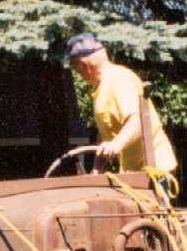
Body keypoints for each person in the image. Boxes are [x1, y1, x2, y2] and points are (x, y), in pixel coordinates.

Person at [65, 33, 177, 174]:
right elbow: (105, 133)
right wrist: (97, 168)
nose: (78, 75)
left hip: (155, 170)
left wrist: (116, 144)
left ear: (85, 65)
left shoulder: (118, 80)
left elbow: (137, 120)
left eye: (76, 69)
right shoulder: (100, 87)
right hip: (134, 172)